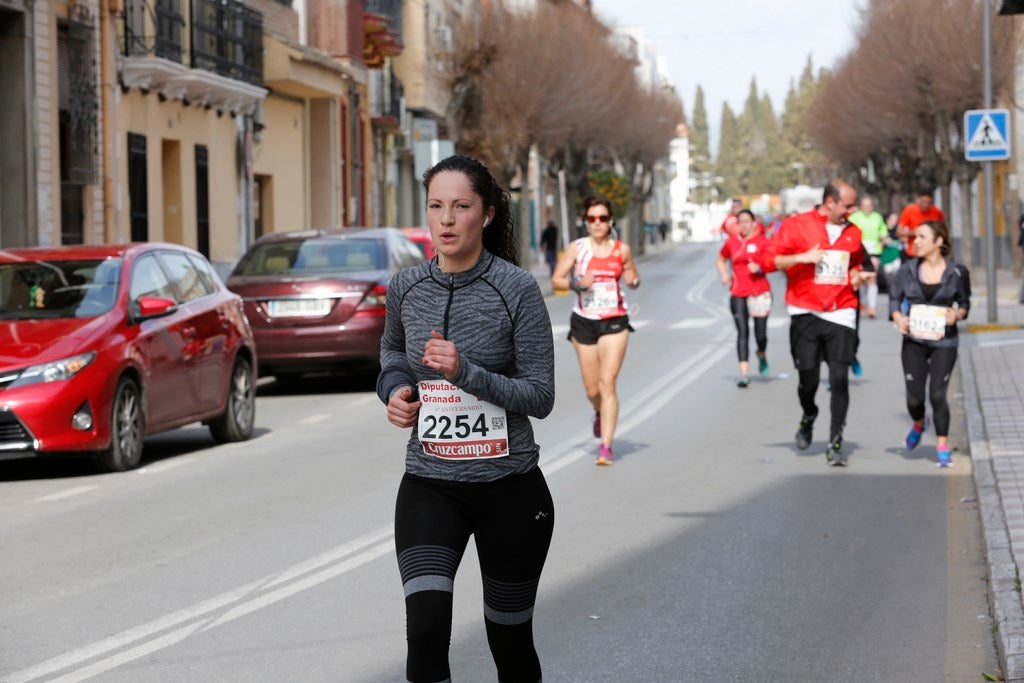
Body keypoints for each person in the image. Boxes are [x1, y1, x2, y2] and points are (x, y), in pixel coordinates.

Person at [377, 154, 556, 683]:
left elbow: (540, 396)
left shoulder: (517, 290)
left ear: (488, 214)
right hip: (430, 488)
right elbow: (390, 355)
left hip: (511, 490)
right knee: (427, 635)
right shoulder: (406, 287)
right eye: (436, 206)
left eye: (461, 206)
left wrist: (466, 372)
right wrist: (396, 391)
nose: (447, 220)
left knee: (508, 639)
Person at [764, 180, 870, 466]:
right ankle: (808, 414)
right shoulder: (797, 225)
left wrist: (858, 275)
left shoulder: (854, 232)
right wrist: (804, 257)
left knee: (839, 379)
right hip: (805, 310)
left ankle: (836, 441)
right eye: (848, 205)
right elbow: (768, 260)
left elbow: (858, 263)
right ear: (830, 202)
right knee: (807, 378)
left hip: (842, 311)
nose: (853, 210)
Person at [552, 197, 640, 466]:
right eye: (592, 219)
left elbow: (633, 277)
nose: (597, 223)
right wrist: (578, 284)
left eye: (602, 218)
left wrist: (633, 280)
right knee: (592, 388)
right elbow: (557, 280)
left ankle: (606, 447)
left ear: (610, 220)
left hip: (614, 320)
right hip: (584, 321)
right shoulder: (577, 249)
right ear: (586, 222)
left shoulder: (621, 249)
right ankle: (599, 411)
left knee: (607, 382)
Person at [888, 221, 970, 467]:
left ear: (939, 241)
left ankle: (942, 446)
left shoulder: (957, 272)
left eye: (922, 237)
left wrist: (958, 314)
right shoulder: (907, 270)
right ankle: (920, 422)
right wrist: (898, 318)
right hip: (914, 341)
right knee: (914, 399)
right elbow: (894, 299)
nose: (916, 242)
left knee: (937, 395)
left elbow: (965, 303)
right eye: (915, 237)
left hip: (945, 341)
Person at [715, 208, 772, 387]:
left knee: (760, 334)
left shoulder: (763, 241)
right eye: (740, 222)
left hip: (760, 292)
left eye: (747, 221)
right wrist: (724, 274)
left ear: (754, 223)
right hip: (738, 292)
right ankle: (744, 373)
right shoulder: (732, 242)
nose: (744, 225)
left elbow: (773, 262)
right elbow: (720, 259)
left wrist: (761, 267)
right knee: (742, 332)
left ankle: (761, 354)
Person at [848, 196, 889, 318]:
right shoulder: (854, 217)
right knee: (860, 277)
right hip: (858, 252)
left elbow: (883, 230)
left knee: (872, 277)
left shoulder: (877, 217)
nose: (867, 207)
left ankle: (872, 307)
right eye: (865, 205)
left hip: (873, 251)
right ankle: (862, 303)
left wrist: (882, 236)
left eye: (869, 205)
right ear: (861, 206)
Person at [897, 189, 944, 259]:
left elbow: (942, 230)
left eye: (928, 202)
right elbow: (899, 232)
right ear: (918, 200)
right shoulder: (909, 210)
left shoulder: (937, 212)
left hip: (931, 252)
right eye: (923, 202)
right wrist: (913, 233)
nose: (926, 205)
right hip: (913, 253)